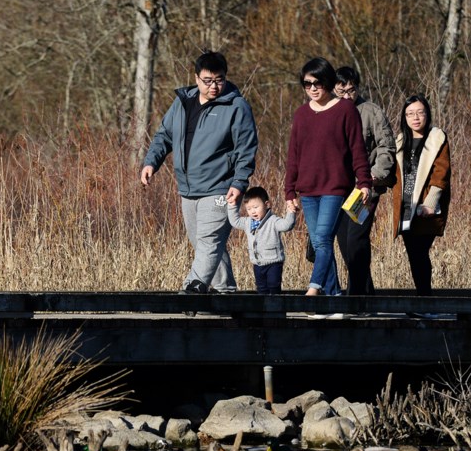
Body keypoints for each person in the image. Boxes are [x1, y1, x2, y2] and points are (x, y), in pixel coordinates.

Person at [141, 51, 259, 294]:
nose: (214, 86)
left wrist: (239, 182)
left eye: (219, 79)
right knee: (203, 244)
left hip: (220, 187)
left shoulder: (236, 107)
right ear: (196, 78)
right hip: (188, 187)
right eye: (208, 80)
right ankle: (225, 291)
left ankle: (190, 291)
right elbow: (165, 135)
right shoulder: (183, 102)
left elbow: (246, 148)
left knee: (209, 242)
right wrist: (151, 162)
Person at [284, 57, 371, 299]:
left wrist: (364, 182)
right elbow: (294, 155)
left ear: (329, 82)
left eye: (317, 83)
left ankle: (314, 287)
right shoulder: (301, 114)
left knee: (322, 239)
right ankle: (334, 300)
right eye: (307, 84)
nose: (312, 88)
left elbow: (357, 149)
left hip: (335, 187)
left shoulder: (345, 109)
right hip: (308, 190)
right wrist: (289, 191)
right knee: (320, 243)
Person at [333, 66, 395, 296]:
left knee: (355, 239)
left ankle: (356, 295)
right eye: (342, 91)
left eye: (352, 90)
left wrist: (374, 176)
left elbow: (386, 145)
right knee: (343, 245)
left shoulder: (371, 112)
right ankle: (366, 293)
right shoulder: (329, 112)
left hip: (364, 189)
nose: (348, 96)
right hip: (337, 189)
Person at [389, 94, 451, 296]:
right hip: (405, 208)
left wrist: (431, 202)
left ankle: (425, 300)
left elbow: (441, 173)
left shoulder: (436, 138)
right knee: (414, 255)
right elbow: (393, 175)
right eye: (410, 114)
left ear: (427, 114)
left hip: (425, 208)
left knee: (419, 253)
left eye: (419, 112)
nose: (415, 117)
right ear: (404, 118)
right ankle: (423, 299)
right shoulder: (400, 141)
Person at [227, 186, 297, 294]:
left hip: (274, 262)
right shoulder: (248, 222)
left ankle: (276, 309)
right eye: (249, 209)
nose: (252, 211)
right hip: (258, 263)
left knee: (273, 285)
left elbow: (287, 225)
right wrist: (232, 206)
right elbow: (234, 221)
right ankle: (263, 310)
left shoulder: (273, 221)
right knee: (261, 288)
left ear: (266, 204)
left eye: (255, 207)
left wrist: (291, 212)